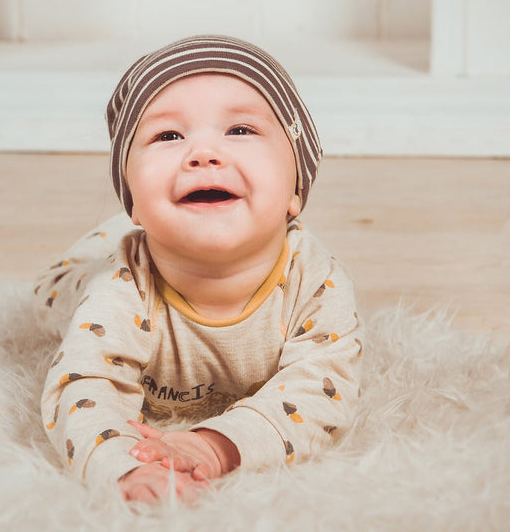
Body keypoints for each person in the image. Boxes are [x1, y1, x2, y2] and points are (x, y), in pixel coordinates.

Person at [34, 35, 364, 503]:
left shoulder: (318, 280)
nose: (204, 154)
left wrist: (216, 444)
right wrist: (123, 466)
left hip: (162, 227)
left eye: (240, 131)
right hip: (81, 276)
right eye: (168, 136)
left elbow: (321, 391)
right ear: (134, 201)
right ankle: (111, 234)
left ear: (297, 188)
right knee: (67, 286)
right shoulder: (119, 286)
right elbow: (85, 387)